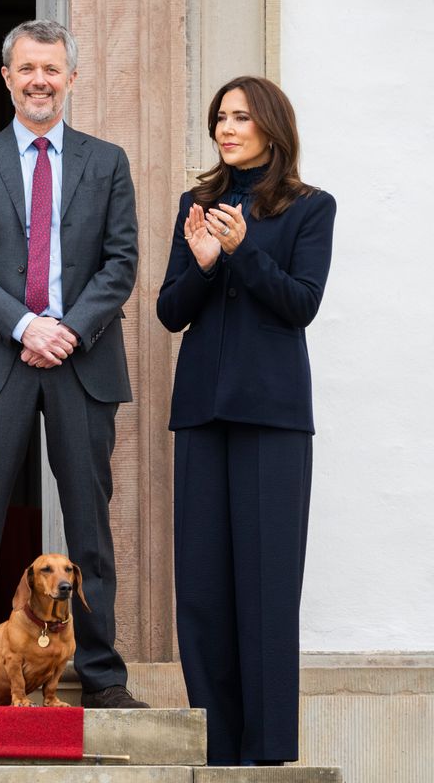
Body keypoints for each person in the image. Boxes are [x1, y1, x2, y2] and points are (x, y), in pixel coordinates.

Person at [0, 19, 145, 709]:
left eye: (52, 69)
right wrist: (26, 325)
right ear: (7, 77)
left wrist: (67, 331)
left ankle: (102, 676)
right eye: (27, 68)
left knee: (89, 524)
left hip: (82, 357)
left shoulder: (107, 161)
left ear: (72, 78)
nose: (39, 81)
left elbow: (121, 263)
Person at [157, 76, 335, 765]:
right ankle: (218, 747)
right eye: (220, 118)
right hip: (202, 413)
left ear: (269, 126)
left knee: (266, 584)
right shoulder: (197, 205)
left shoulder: (310, 207)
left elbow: (301, 303)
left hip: (272, 417)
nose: (226, 129)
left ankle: (267, 751)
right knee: (202, 590)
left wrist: (243, 252)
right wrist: (205, 265)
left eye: (240, 117)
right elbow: (172, 311)